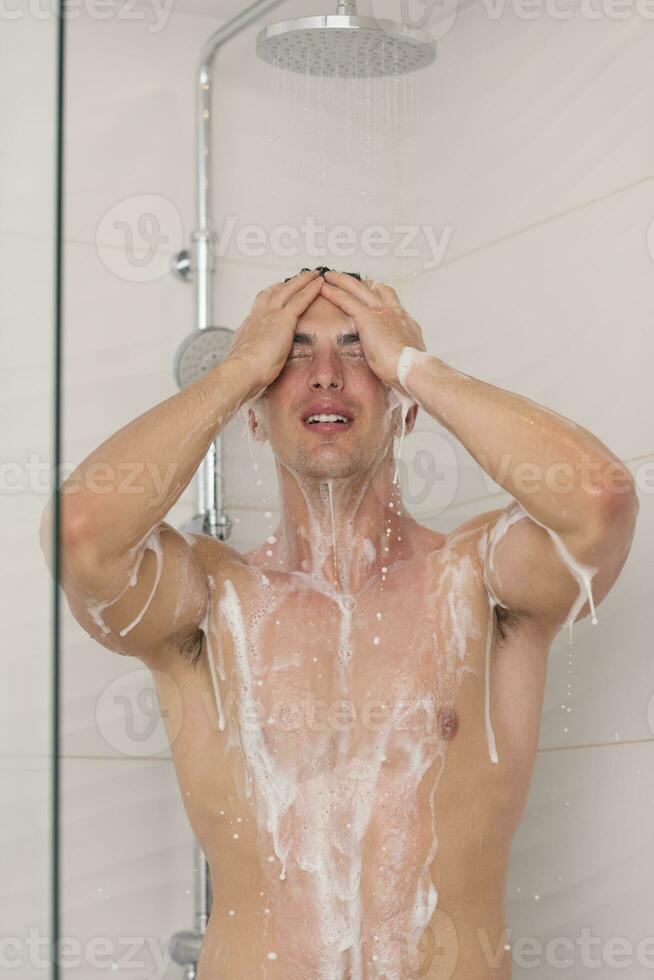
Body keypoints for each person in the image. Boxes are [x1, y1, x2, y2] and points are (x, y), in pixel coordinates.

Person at [41, 267, 639, 979]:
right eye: (293, 352)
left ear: (406, 407)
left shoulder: (482, 584)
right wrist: (238, 371)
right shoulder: (206, 600)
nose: (326, 375)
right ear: (254, 416)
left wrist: (416, 365)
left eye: (357, 350)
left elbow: (599, 500)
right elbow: (82, 532)